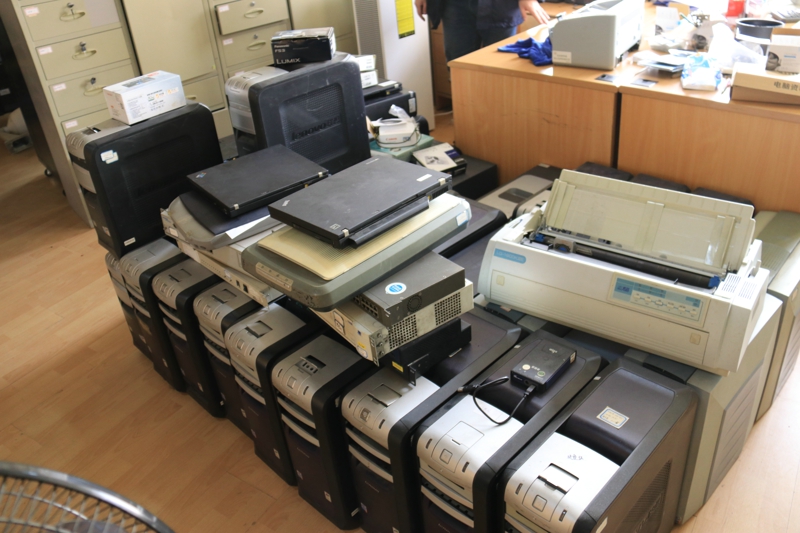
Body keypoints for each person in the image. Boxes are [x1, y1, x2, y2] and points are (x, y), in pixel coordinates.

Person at [415, 0, 550, 62]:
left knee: (500, 66)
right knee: (457, 65)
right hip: (455, 6)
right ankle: (464, 109)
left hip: (500, 6)